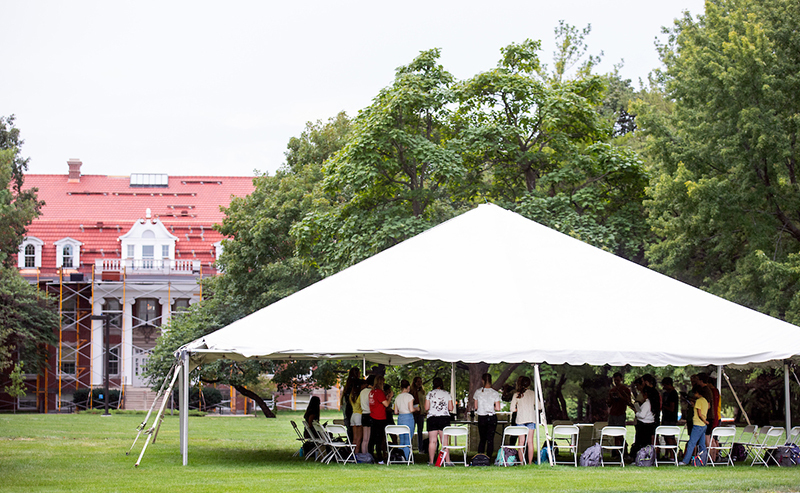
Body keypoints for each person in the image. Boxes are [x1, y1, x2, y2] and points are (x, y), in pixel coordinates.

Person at [509, 375, 539, 464]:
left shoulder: (516, 395)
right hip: (531, 419)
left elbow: (512, 409)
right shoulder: (533, 393)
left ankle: (522, 462)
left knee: (521, 442)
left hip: (520, 419)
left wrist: (518, 409)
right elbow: (539, 406)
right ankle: (530, 462)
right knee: (530, 442)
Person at [425, 377, 453, 464]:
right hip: (444, 418)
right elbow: (451, 408)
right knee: (444, 442)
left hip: (432, 418)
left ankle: (431, 461)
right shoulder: (447, 394)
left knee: (432, 441)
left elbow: (426, 407)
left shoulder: (429, 394)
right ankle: (447, 461)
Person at [472, 372, 501, 459]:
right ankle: (489, 457)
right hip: (492, 417)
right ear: (491, 381)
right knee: (490, 439)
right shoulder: (495, 393)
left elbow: (476, 406)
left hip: (482, 417)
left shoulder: (478, 392)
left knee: (482, 438)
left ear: (482, 380)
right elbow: (498, 408)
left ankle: (480, 455)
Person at [680, 386, 709, 465]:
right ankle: (703, 460)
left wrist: (704, 420)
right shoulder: (705, 401)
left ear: (697, 393)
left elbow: (699, 413)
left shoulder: (699, 401)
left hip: (698, 424)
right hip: (703, 426)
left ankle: (685, 461)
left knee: (691, 443)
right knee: (702, 445)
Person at [607, 372, 631, 458]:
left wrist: (620, 396)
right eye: (615, 380)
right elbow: (609, 403)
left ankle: (624, 449)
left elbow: (628, 402)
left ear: (621, 379)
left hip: (620, 413)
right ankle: (616, 451)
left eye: (617, 380)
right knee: (614, 434)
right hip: (613, 413)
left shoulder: (625, 390)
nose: (616, 382)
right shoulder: (612, 390)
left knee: (620, 434)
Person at [629, 385, 656, 458]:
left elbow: (642, 415)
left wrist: (636, 412)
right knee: (647, 443)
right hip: (650, 424)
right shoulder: (653, 403)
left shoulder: (647, 403)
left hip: (644, 425)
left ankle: (639, 457)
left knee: (641, 443)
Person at [369, 375, 390, 463]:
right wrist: (390, 397)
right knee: (379, 438)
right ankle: (380, 458)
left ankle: (370, 455)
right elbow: (386, 404)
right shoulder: (380, 392)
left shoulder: (372, 392)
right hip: (379, 417)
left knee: (372, 438)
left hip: (372, 416)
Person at [394, 379, 415, 460]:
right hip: (408, 417)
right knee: (408, 439)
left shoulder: (397, 397)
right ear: (408, 387)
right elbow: (411, 409)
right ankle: (406, 457)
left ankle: (400, 456)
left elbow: (396, 411)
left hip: (400, 418)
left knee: (401, 438)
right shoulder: (409, 397)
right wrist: (416, 409)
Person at [660, 377, 679, 458]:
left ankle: (672, 455)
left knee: (669, 437)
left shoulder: (673, 394)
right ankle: (667, 454)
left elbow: (672, 408)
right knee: (666, 437)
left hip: (670, 418)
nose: (663, 387)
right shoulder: (666, 393)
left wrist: (662, 406)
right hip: (665, 417)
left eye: (664, 385)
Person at [341, 367, 360, 439]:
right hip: (353, 412)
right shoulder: (356, 384)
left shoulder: (348, 385)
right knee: (355, 435)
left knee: (351, 433)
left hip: (347, 413)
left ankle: (350, 448)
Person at [359, 375, 374, 456]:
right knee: (370, 437)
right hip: (370, 414)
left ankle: (364, 455)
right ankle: (369, 454)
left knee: (365, 438)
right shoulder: (371, 392)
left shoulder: (362, 391)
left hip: (363, 414)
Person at [410, 376, 426, 453]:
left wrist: (425, 410)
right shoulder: (411, 391)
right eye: (418, 381)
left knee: (420, 431)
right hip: (413, 413)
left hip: (421, 414)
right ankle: (410, 447)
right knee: (411, 431)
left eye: (420, 381)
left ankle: (421, 448)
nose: (419, 383)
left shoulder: (422, 391)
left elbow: (424, 402)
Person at [350, 379, 365, 453]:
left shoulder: (351, 395)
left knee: (354, 438)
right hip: (359, 415)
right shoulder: (360, 395)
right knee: (359, 438)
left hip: (353, 415)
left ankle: (353, 453)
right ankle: (357, 454)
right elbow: (362, 406)